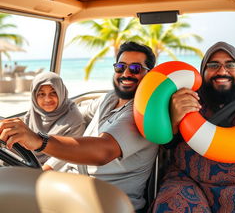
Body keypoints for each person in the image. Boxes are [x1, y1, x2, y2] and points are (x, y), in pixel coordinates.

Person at [0, 41, 159, 212]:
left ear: (149, 74)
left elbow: (103, 151)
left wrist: (39, 140)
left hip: (106, 201)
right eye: (120, 67)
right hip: (73, 187)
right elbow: (78, 113)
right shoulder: (111, 98)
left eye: (135, 69)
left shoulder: (145, 114)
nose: (126, 74)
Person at [151, 41, 235, 213]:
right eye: (213, 65)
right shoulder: (187, 98)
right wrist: (174, 119)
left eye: (230, 65)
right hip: (191, 183)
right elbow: (167, 145)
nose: (222, 71)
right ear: (203, 71)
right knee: (172, 202)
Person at [23, 71, 85, 170]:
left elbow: (66, 154)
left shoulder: (74, 120)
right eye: (41, 94)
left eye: (53, 92)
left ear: (61, 92)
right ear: (34, 96)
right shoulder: (32, 115)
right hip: (27, 165)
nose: (47, 99)